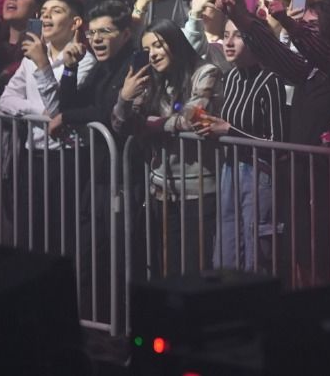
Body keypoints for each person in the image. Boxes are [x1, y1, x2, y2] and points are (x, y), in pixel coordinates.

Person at [113, 23, 222, 278]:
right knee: (167, 270)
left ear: (176, 43)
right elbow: (120, 125)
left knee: (195, 269)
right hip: (161, 191)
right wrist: (124, 98)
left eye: (158, 45)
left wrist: (150, 124)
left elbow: (192, 118)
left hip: (198, 191)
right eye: (147, 49)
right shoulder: (152, 79)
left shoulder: (206, 73)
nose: (153, 54)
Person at [193, 15, 287, 272]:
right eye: (225, 35)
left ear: (255, 40)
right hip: (230, 168)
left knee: (256, 251)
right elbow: (227, 125)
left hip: (259, 173)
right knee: (227, 248)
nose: (229, 42)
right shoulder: (231, 77)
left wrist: (228, 130)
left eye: (238, 36)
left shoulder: (270, 80)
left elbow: (277, 142)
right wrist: (211, 126)